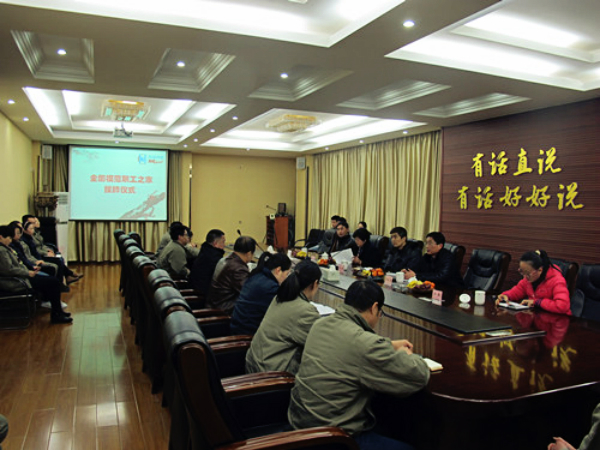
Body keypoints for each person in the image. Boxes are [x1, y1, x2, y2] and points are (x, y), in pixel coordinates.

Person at [288, 280, 430, 450]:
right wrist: (407, 355)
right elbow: (418, 375)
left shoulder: (320, 324)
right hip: (333, 439)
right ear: (374, 308)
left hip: (301, 426)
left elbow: (353, 344)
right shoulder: (364, 344)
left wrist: (388, 344)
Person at [245, 260, 321, 375]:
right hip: (272, 374)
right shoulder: (305, 311)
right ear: (315, 284)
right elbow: (320, 345)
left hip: (254, 363)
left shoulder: (280, 296)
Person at [0, 225, 72, 324]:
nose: (10, 240)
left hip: (22, 276)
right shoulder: (1, 250)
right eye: (8, 238)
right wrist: (28, 272)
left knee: (52, 280)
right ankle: (56, 314)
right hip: (15, 280)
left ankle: (58, 312)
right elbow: (8, 270)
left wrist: (30, 270)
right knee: (53, 282)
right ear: (1, 237)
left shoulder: (5, 248)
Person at [230, 252, 292, 335]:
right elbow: (281, 314)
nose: (286, 278)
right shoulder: (270, 287)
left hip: (238, 327)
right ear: (278, 270)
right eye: (287, 274)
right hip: (247, 334)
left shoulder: (257, 275)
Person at [497, 250, 571, 315]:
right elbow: (517, 291)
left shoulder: (557, 280)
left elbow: (562, 306)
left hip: (558, 321)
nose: (525, 276)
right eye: (522, 272)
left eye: (528, 273)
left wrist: (537, 302)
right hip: (538, 317)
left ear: (540, 270)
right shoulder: (528, 279)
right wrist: (506, 296)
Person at [21, 219, 82, 284]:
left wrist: (49, 250)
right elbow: (34, 251)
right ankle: (63, 281)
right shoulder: (26, 240)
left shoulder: (35, 234)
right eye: (32, 227)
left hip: (40, 255)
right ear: (25, 229)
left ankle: (67, 277)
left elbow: (42, 245)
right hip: (39, 257)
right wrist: (45, 254)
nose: (37, 223)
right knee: (57, 262)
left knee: (59, 259)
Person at [206, 236, 256, 314]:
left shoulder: (229, 258)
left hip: (216, 303)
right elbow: (248, 292)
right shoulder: (238, 268)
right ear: (249, 253)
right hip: (224, 309)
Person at [189, 229, 226, 296]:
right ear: (215, 243)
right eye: (223, 242)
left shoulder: (205, 251)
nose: (224, 245)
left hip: (197, 288)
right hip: (205, 294)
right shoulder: (214, 257)